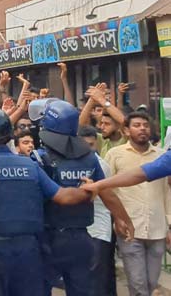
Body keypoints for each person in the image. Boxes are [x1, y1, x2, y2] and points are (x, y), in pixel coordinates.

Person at [0, 108, 92, 296]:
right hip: (28, 249)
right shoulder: (29, 166)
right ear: (11, 135)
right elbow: (63, 196)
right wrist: (87, 191)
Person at [35, 100, 133, 296]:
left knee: (41, 289)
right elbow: (106, 192)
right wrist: (123, 218)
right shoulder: (90, 157)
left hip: (48, 238)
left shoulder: (40, 158)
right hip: (81, 238)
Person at [103, 112, 169, 296]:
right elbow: (108, 190)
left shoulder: (162, 156)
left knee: (151, 282)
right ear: (126, 130)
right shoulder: (115, 155)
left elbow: (167, 192)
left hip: (157, 228)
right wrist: (117, 218)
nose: (142, 129)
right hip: (129, 228)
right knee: (137, 284)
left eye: (145, 126)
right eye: (137, 125)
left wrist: (169, 224)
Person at [78, 125, 116, 296]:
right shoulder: (70, 164)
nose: (89, 149)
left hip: (99, 229)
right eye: (85, 144)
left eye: (92, 145)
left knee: (99, 280)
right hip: (79, 229)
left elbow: (109, 197)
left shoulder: (102, 165)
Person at [80, 85, 127, 158]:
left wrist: (101, 99)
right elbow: (81, 126)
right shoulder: (103, 140)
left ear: (118, 126)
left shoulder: (126, 140)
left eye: (107, 124)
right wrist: (92, 99)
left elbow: (124, 121)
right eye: (102, 123)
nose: (102, 127)